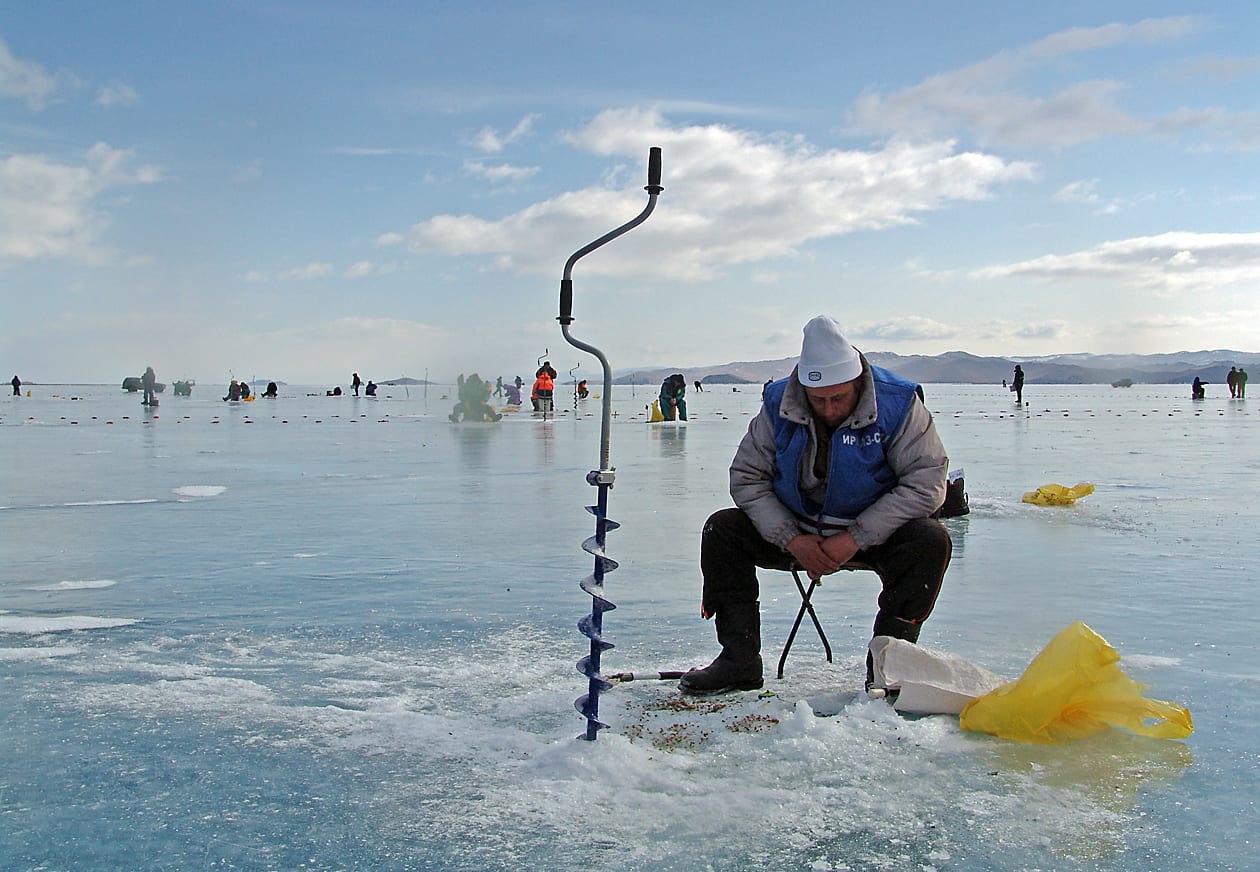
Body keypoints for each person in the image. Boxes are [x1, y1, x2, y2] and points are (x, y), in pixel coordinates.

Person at [679, 315, 951, 696]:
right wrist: (792, 539)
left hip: (875, 532)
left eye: (839, 398)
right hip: (798, 526)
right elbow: (746, 477)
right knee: (722, 531)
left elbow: (927, 483)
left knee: (930, 541)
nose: (829, 409)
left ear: (858, 382)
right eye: (818, 399)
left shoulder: (898, 404)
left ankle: (888, 670)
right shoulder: (779, 404)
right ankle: (738, 661)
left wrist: (855, 537)